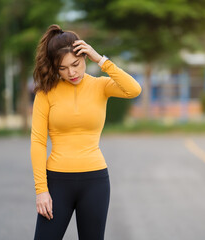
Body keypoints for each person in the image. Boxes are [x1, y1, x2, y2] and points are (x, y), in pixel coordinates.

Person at [30, 24, 142, 240]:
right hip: (56, 183)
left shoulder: (100, 86)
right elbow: (38, 142)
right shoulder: (45, 93)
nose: (71, 72)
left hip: (95, 181)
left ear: (84, 57)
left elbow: (134, 89)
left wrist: (100, 60)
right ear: (54, 68)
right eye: (62, 68)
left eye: (76, 64)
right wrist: (41, 190)